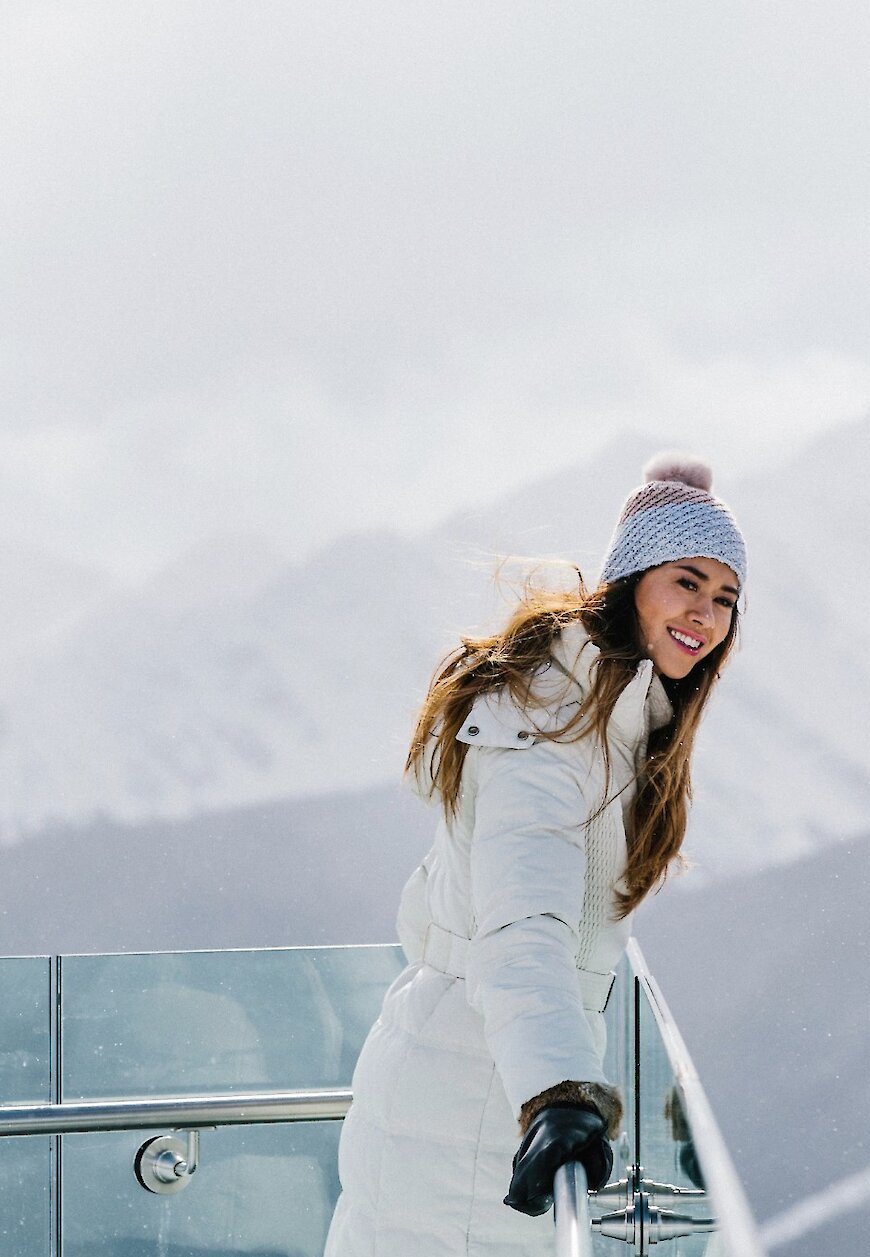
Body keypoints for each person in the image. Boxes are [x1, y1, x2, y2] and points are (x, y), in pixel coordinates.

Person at [323, 453, 746, 1255]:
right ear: (633, 577)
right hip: (475, 1103)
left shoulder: (602, 715)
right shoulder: (553, 723)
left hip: (478, 1083)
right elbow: (522, 926)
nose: (707, 612)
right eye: (686, 581)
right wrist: (556, 1090)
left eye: (726, 597)